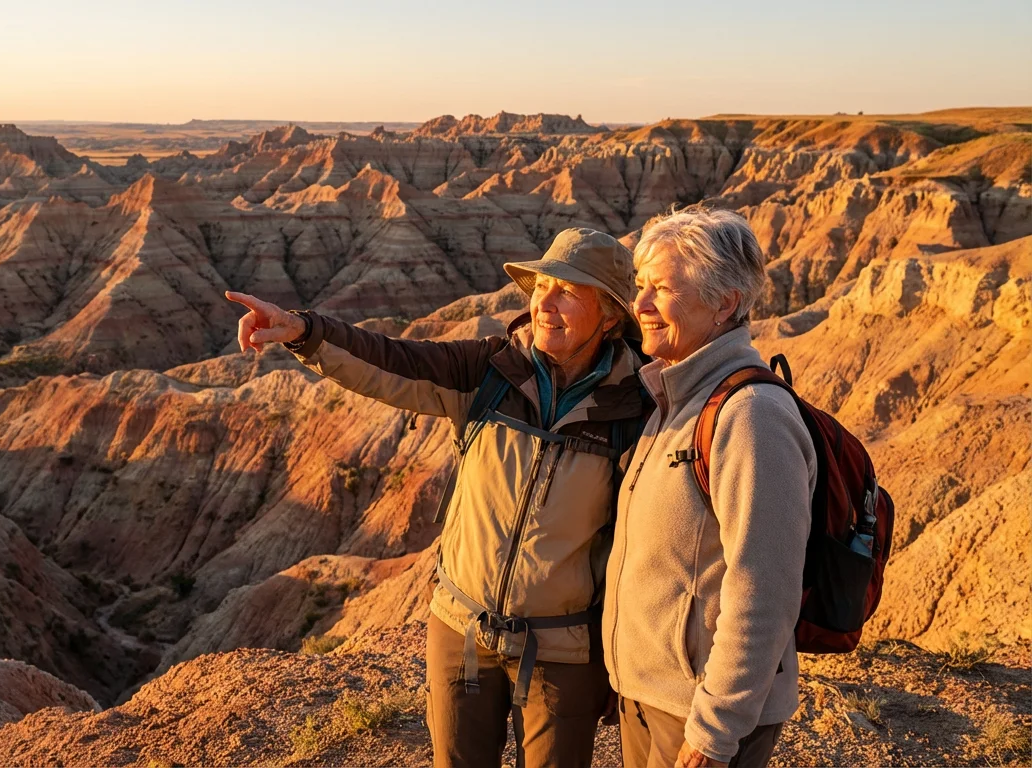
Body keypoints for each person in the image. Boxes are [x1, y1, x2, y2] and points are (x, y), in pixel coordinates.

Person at [226, 229, 650, 768]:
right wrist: (304, 332)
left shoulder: (634, 406)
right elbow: (393, 362)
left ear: (611, 315)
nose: (545, 302)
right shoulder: (489, 373)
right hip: (462, 629)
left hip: (562, 650)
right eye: (541, 286)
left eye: (568, 291)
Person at [602, 206, 816, 768]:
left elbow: (762, 592)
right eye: (639, 287)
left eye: (662, 289)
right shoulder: (678, 393)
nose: (640, 306)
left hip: (698, 717)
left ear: (725, 303)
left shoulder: (751, 416)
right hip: (653, 701)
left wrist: (713, 734)